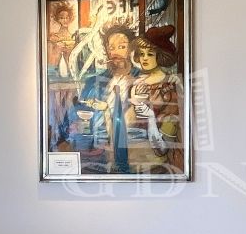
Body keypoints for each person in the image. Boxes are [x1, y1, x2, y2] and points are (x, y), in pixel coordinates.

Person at [79, 21, 139, 173]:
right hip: (97, 155)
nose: (115, 52)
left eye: (122, 47)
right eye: (111, 48)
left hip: (134, 156)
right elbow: (81, 119)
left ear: (132, 50)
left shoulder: (142, 80)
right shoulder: (92, 83)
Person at [128, 25, 184, 174]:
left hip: (157, 166)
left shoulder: (170, 87)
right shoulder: (137, 84)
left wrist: (150, 117)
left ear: (160, 56)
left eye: (150, 54)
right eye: (141, 54)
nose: (145, 58)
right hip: (133, 160)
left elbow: (163, 149)